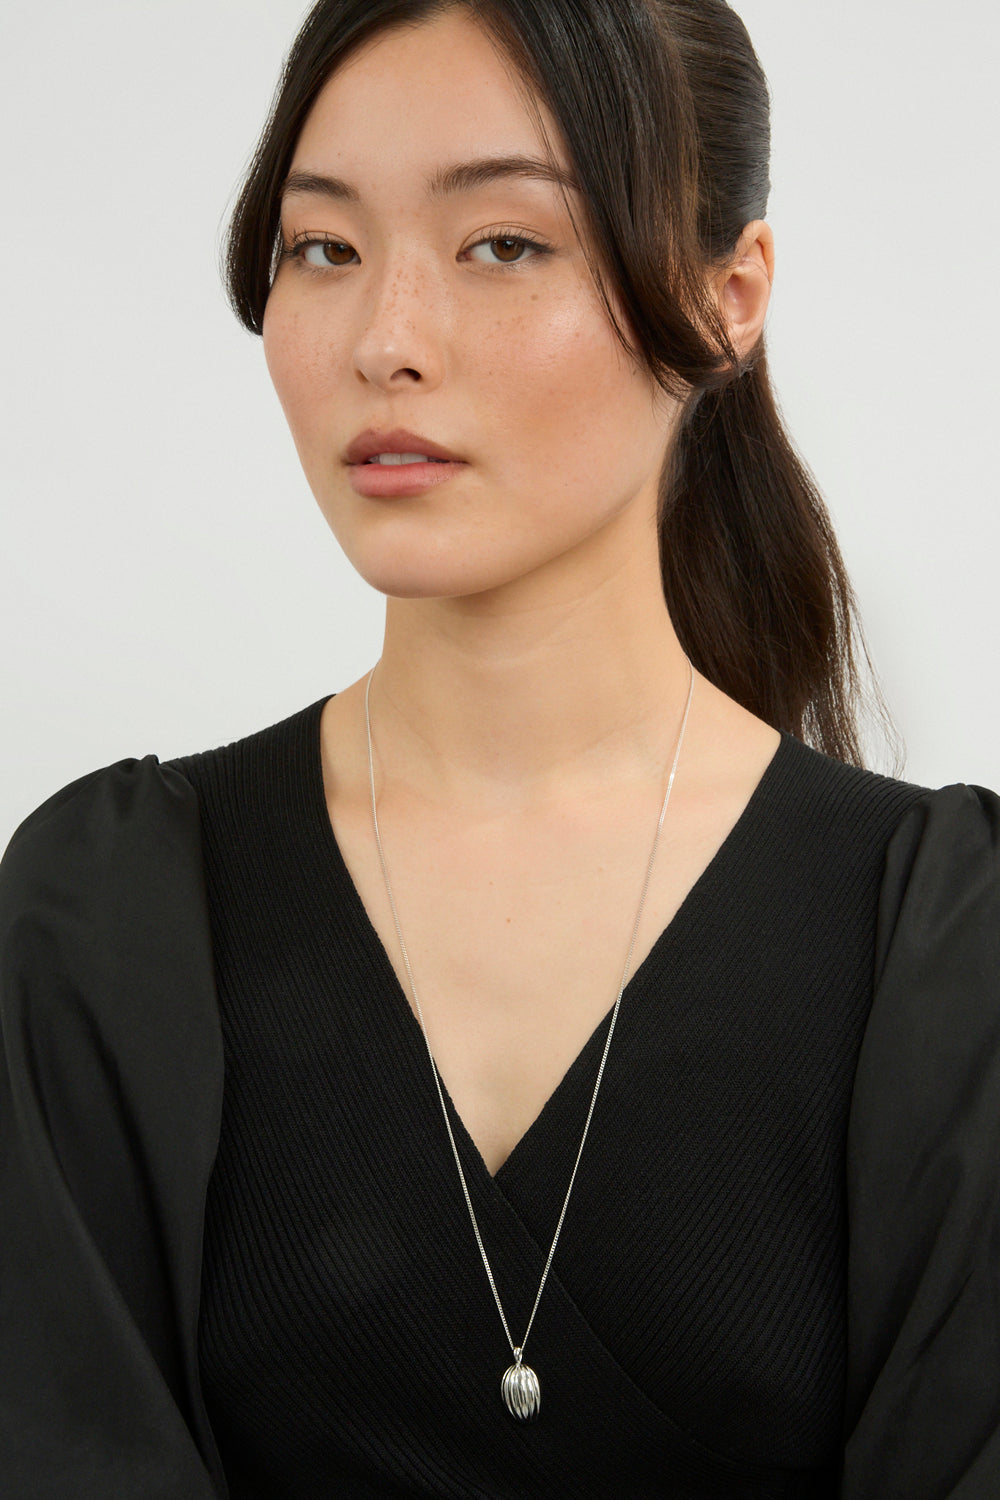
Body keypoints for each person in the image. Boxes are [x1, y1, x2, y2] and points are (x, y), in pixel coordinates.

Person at [1, 0, 997, 1495]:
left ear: (728, 298)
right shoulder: (109, 912)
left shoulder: (942, 947)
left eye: (504, 243)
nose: (386, 341)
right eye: (323, 248)